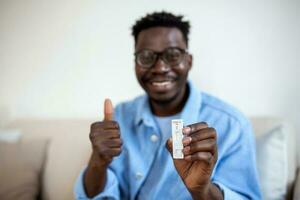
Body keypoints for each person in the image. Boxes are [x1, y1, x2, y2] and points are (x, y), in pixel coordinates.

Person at [74, 11, 261, 199]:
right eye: (146, 56)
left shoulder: (232, 125)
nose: (160, 68)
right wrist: (97, 162)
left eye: (172, 55)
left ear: (189, 61)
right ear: (135, 63)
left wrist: (202, 190)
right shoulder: (120, 116)